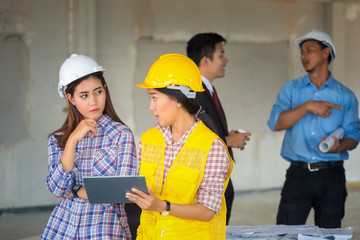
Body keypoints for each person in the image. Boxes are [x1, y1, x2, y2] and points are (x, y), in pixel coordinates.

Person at [126, 53, 233, 240]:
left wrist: (162, 206)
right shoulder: (148, 139)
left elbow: (208, 211)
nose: (151, 107)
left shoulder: (212, 147)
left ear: (177, 99)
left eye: (154, 97)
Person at [267, 29, 359, 228]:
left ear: (326, 52)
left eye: (309, 50)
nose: (303, 56)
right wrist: (307, 106)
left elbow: (353, 134)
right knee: (286, 232)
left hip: (332, 176)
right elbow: (276, 123)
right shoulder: (290, 90)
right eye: (301, 52)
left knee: (329, 233)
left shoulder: (346, 96)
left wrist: (339, 147)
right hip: (298, 174)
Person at [42, 54, 137, 239]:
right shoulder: (58, 139)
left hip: (103, 228)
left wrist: (76, 190)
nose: (93, 101)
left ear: (105, 89)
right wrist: (72, 141)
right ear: (71, 98)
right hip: (62, 228)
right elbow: (57, 189)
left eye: (98, 91)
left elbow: (122, 192)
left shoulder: (121, 135)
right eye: (84, 95)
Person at [187, 32, 251, 224]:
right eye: (221, 55)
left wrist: (225, 136)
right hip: (207, 187)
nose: (226, 60)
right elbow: (192, 143)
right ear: (205, 61)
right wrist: (228, 141)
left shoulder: (206, 90)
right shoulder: (194, 94)